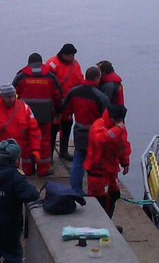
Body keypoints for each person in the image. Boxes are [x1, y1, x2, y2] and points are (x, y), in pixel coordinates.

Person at [12, 53, 63, 177]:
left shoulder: (21, 76)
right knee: (44, 142)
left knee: (27, 142)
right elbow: (58, 96)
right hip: (45, 115)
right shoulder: (50, 76)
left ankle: (28, 169)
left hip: (25, 116)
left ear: (29, 63)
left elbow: (12, 96)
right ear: (41, 63)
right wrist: (58, 111)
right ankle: (43, 169)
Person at [64, 65, 110, 196]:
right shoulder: (100, 96)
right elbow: (107, 119)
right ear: (97, 78)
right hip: (95, 134)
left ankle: (76, 189)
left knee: (78, 161)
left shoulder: (74, 92)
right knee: (95, 164)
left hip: (78, 129)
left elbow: (66, 110)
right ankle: (94, 191)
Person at [84, 104, 130, 218]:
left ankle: (108, 223)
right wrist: (117, 129)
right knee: (100, 200)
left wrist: (125, 162)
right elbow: (102, 140)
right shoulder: (98, 126)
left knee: (114, 195)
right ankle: (98, 226)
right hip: (97, 171)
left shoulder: (119, 128)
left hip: (111, 171)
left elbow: (123, 146)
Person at [46, 44, 86, 161]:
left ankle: (64, 151)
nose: (73, 57)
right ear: (64, 55)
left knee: (67, 127)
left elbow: (80, 80)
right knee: (53, 131)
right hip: (56, 104)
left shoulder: (75, 64)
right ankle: (49, 154)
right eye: (71, 55)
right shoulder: (52, 64)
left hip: (69, 104)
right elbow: (47, 83)